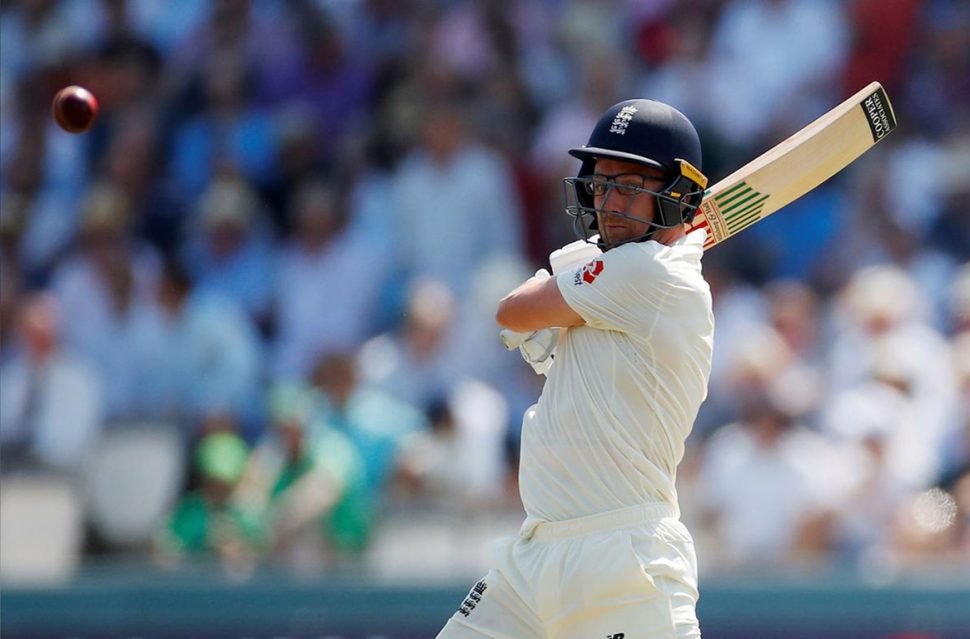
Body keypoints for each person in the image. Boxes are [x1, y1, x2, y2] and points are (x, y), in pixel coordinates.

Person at [437, 99, 714, 639]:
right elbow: (520, 314)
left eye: (629, 185)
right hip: (536, 551)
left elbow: (513, 310)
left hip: (623, 559)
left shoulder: (656, 277)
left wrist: (575, 266)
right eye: (602, 184)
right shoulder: (618, 270)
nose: (608, 202)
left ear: (679, 195)